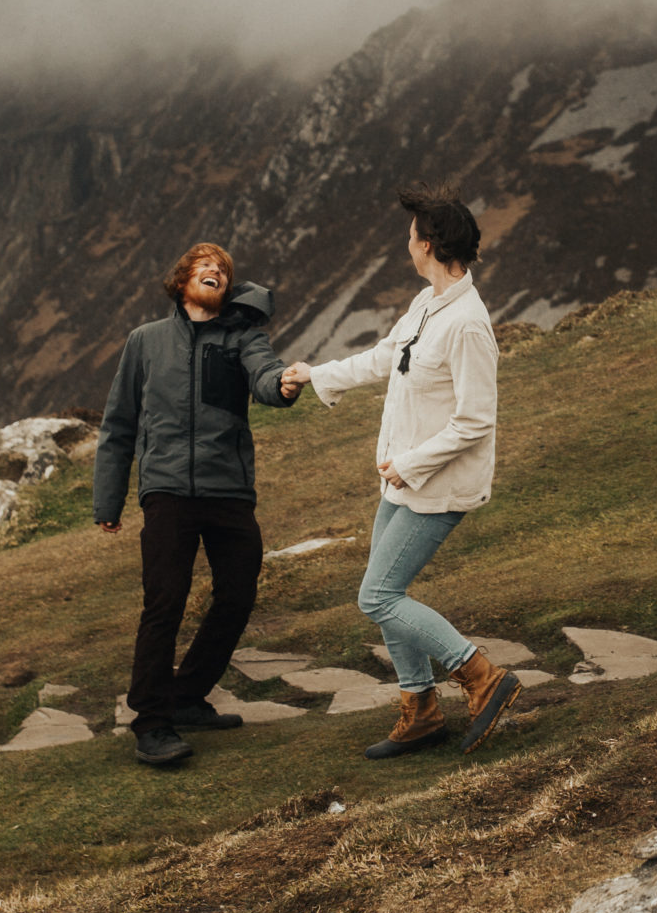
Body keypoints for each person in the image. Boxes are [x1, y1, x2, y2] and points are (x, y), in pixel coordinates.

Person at [279, 182, 515, 760]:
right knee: (386, 590)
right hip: (402, 480)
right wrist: (319, 374)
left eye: (411, 237)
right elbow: (389, 357)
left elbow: (475, 420)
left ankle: (480, 674)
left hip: (434, 486)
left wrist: (409, 466)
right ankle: (421, 712)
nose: (406, 245)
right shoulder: (427, 304)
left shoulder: (467, 323)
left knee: (378, 596)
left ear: (430, 244)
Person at [94, 242, 300, 767]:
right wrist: (108, 500)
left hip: (228, 488)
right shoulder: (145, 342)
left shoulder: (242, 338)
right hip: (166, 491)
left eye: (224, 270)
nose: (215, 272)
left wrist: (283, 384)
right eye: (204, 266)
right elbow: (118, 425)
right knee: (164, 604)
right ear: (181, 279)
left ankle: (187, 696)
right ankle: (152, 722)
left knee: (237, 594)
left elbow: (265, 376)